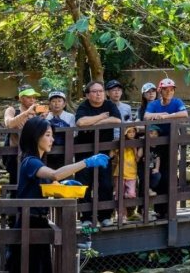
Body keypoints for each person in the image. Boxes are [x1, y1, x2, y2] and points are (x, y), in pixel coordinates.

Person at [0, 117, 108, 273]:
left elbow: (50, 183)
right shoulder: (29, 161)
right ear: (35, 136)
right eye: (47, 134)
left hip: (38, 228)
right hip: (26, 230)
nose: (52, 139)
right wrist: (87, 162)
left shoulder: (36, 162)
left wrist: (60, 187)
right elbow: (55, 174)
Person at [75, 81, 122, 227]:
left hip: (104, 151)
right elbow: (81, 123)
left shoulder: (109, 105)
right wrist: (101, 117)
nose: (98, 94)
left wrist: (94, 123)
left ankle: (105, 216)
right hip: (84, 151)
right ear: (88, 94)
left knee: (106, 184)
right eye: (95, 91)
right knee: (84, 184)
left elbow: (117, 119)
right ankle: (86, 217)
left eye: (101, 91)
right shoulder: (84, 106)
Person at [144, 78, 188, 219]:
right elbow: (146, 116)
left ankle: (169, 209)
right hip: (156, 143)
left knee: (169, 174)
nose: (169, 92)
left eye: (171, 90)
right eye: (166, 90)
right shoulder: (155, 104)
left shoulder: (177, 102)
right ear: (160, 91)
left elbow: (184, 114)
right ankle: (159, 209)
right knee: (156, 175)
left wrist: (169, 116)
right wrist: (159, 116)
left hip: (172, 143)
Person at [2, 86, 45, 190]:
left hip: (34, 154)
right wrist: (26, 113)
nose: (32, 100)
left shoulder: (36, 114)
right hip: (15, 154)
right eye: (28, 97)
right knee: (16, 185)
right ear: (21, 98)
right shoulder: (12, 110)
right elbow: (9, 123)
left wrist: (42, 119)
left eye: (34, 97)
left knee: (34, 185)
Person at [112, 126, 142, 222]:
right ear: (125, 133)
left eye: (133, 132)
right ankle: (121, 215)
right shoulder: (121, 144)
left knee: (131, 194)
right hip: (120, 173)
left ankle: (129, 210)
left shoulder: (135, 144)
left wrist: (135, 148)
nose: (132, 134)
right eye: (129, 132)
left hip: (132, 173)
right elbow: (112, 155)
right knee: (118, 195)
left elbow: (137, 159)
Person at [44, 90, 76, 169]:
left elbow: (74, 133)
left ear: (64, 104)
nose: (56, 104)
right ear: (49, 104)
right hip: (47, 150)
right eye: (53, 101)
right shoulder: (45, 116)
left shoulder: (70, 117)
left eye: (59, 101)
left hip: (65, 149)